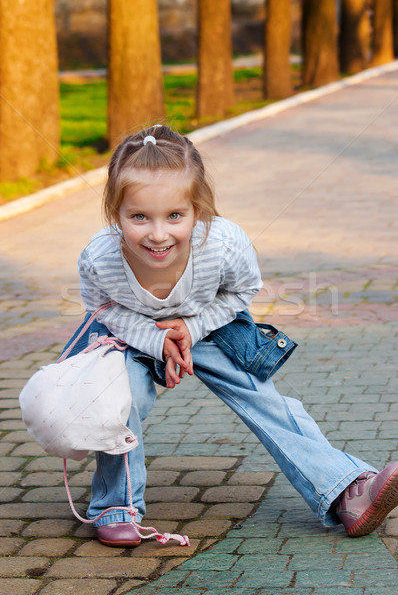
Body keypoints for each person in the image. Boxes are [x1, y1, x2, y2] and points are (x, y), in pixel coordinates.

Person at [64, 125, 398, 547]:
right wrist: (154, 340)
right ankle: (115, 505)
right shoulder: (100, 255)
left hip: (208, 321)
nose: (158, 234)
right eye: (138, 217)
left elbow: (242, 291)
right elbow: (104, 309)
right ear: (116, 213)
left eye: (174, 216)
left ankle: (346, 489)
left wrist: (191, 327)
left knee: (262, 396)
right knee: (121, 398)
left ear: (197, 209)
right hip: (132, 330)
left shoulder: (221, 244)